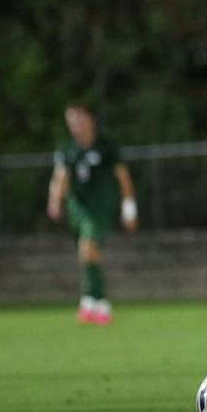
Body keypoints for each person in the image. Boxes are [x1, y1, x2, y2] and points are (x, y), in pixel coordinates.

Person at [46, 102, 138, 323]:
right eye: (71, 120)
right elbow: (61, 176)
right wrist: (55, 201)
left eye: (79, 118)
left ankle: (101, 303)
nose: (75, 124)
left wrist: (129, 209)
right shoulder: (67, 148)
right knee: (85, 252)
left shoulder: (106, 147)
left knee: (88, 248)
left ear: (90, 119)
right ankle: (88, 300)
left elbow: (123, 178)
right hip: (77, 207)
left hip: (100, 206)